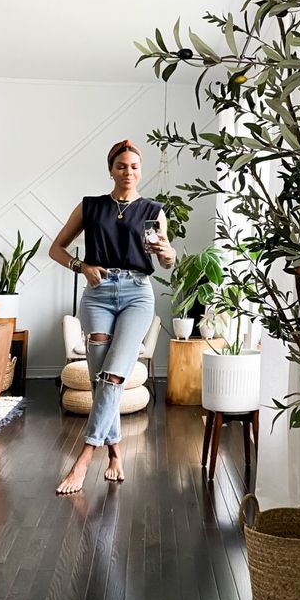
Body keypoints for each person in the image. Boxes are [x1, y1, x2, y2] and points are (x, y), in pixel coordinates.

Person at [49, 139, 176, 493]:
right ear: (111, 170)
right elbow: (55, 249)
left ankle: (83, 459)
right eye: (121, 166)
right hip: (97, 296)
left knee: (113, 377)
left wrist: (167, 252)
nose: (128, 172)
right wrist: (82, 266)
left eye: (134, 166)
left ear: (140, 170)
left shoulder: (153, 210)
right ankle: (116, 455)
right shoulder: (90, 207)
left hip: (138, 295)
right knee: (100, 378)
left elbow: (166, 261)